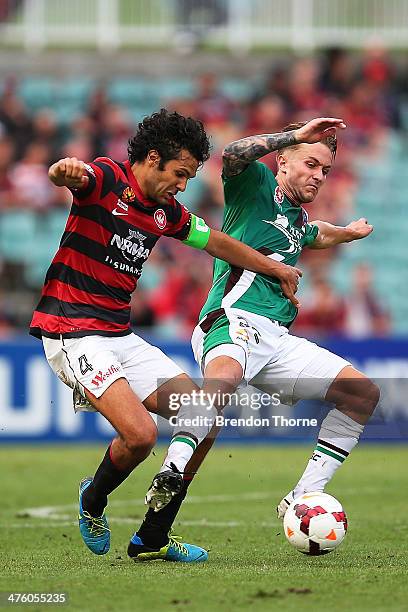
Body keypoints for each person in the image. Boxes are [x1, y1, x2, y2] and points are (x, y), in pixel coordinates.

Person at [29, 109, 301, 563]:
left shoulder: (165, 213)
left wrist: (274, 267)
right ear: (152, 159)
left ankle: (153, 536)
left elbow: (216, 241)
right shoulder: (105, 178)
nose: (183, 184)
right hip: (73, 332)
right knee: (139, 435)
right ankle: (92, 501)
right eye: (179, 173)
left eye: (190, 176)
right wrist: (63, 170)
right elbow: (71, 175)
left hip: (119, 335)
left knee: (204, 419)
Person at [134, 117, 380, 557]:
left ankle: (303, 496)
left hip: (276, 340)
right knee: (222, 387)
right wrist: (293, 135)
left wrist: (346, 233)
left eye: (325, 170)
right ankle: (170, 470)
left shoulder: (296, 219)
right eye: (310, 163)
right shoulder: (256, 186)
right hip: (231, 320)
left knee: (362, 394)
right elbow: (231, 155)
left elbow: (314, 233)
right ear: (283, 161)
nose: (318, 176)